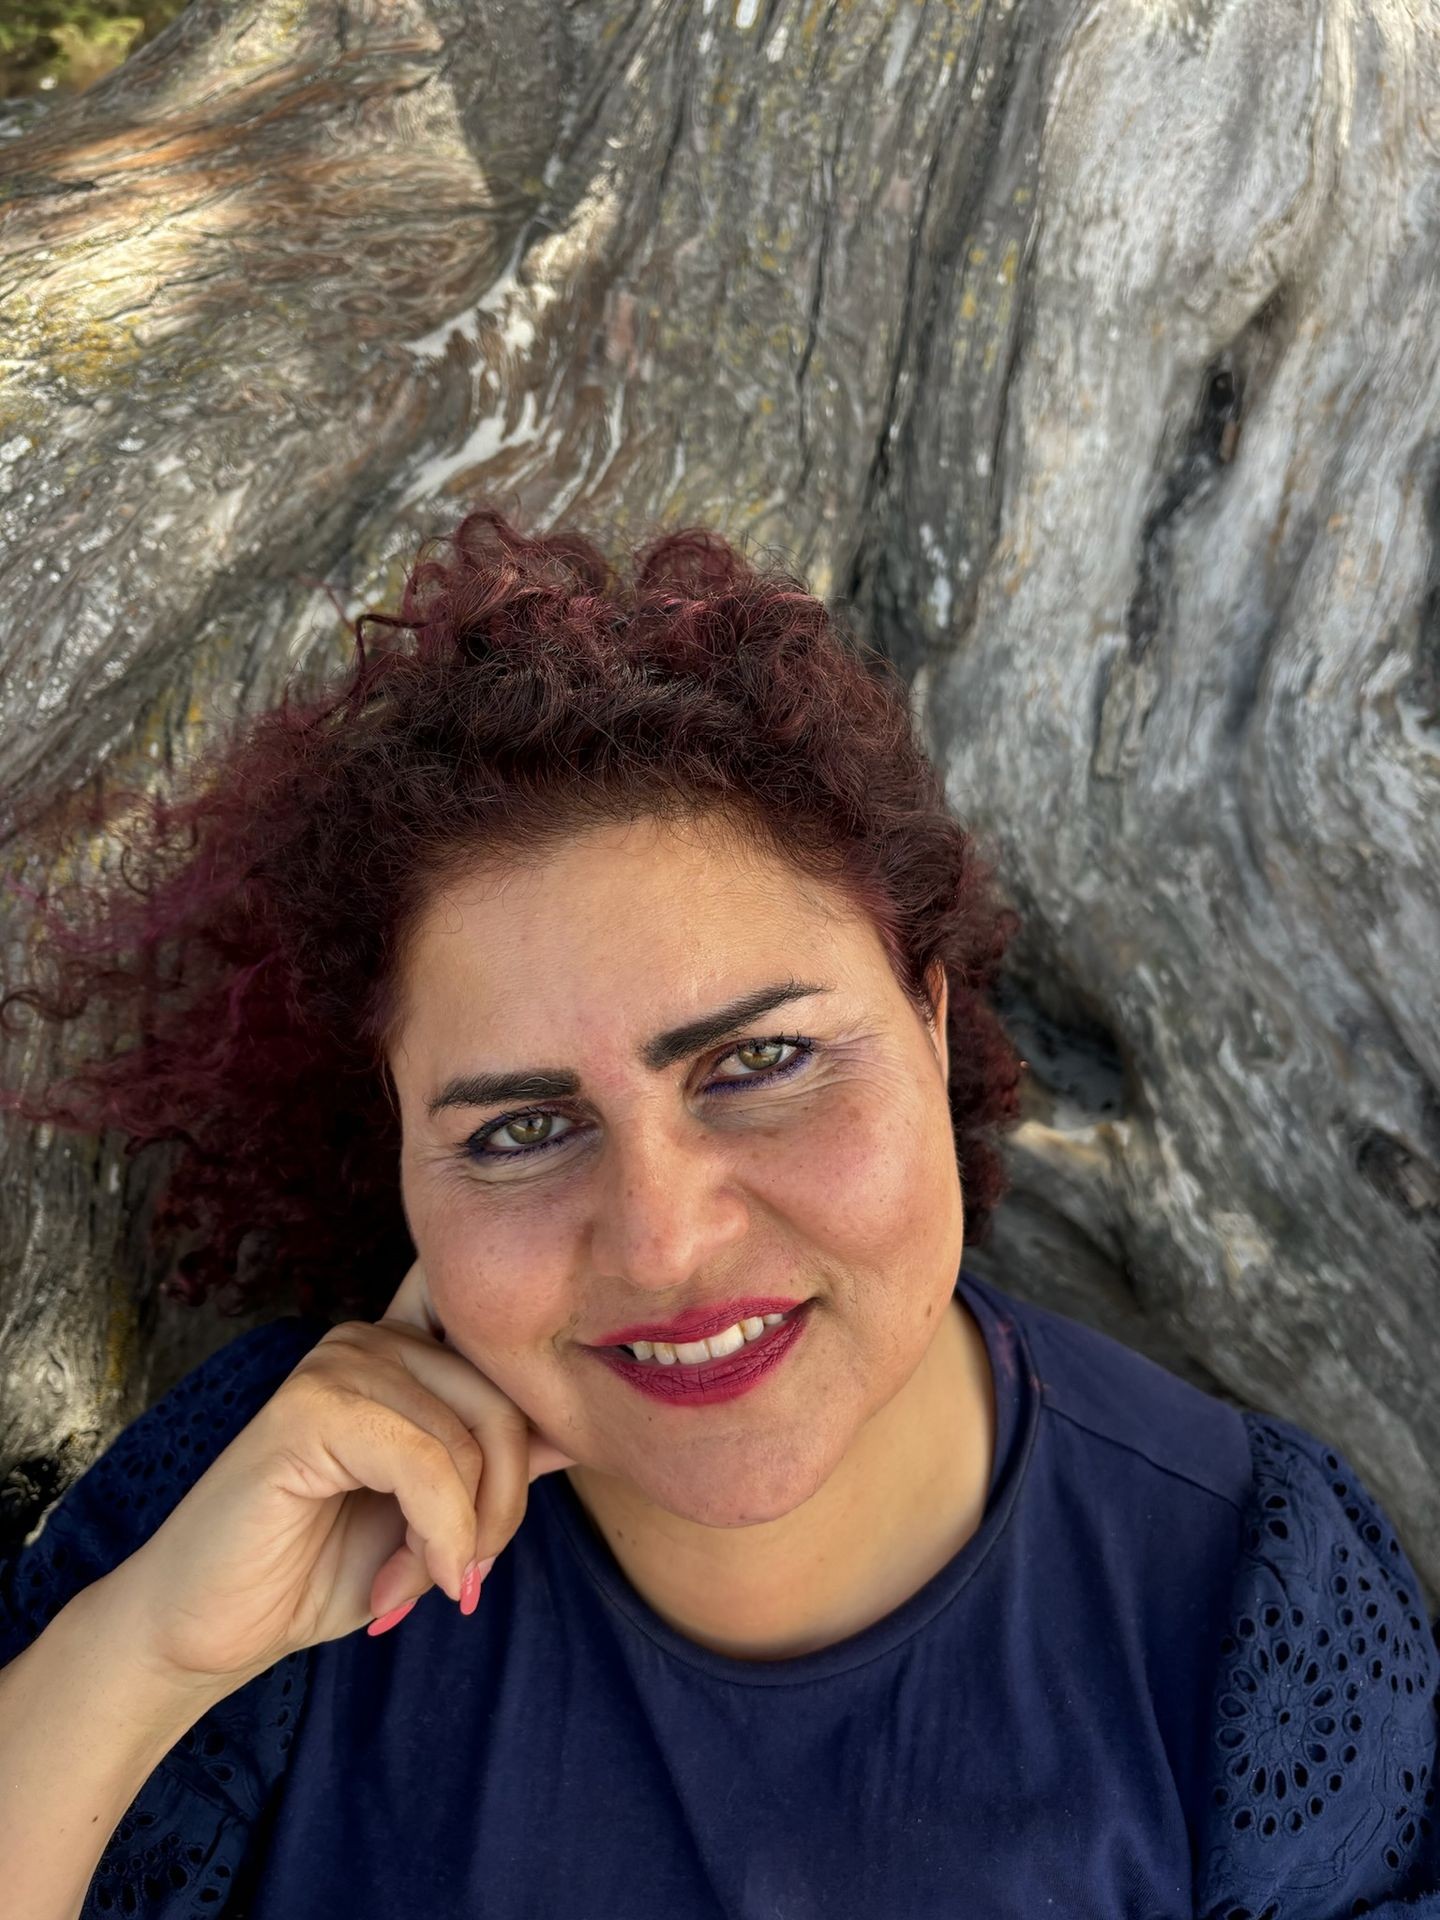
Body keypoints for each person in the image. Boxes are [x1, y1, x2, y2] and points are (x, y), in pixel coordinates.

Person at [0, 503, 1436, 1920]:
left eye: (759, 1063)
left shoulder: (1260, 1607)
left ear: (931, 1021)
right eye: (520, 1128)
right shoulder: (254, 1501)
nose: (666, 1241)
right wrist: (137, 1665)